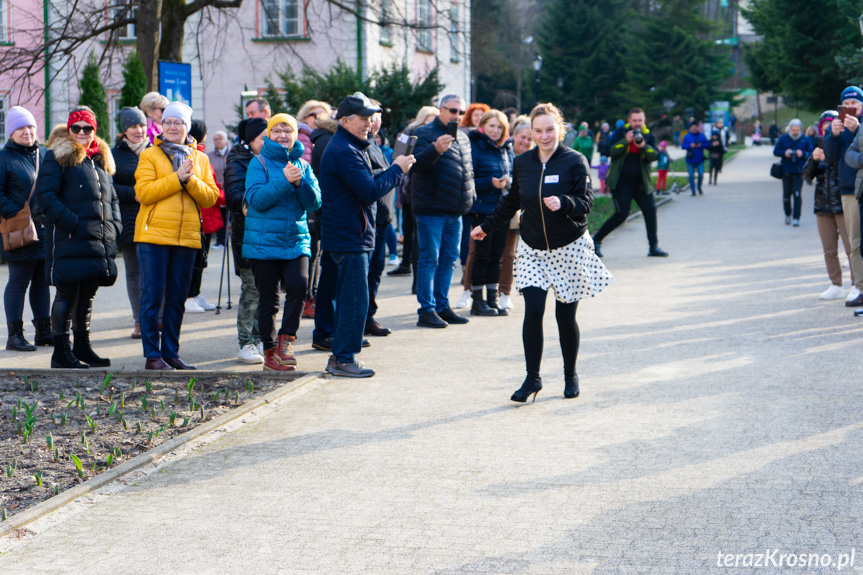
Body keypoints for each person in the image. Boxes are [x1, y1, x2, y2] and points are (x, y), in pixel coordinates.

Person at [471, 103, 613, 402]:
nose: (544, 136)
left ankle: (570, 374)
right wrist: (487, 226)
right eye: (538, 131)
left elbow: (586, 201)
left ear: (559, 129)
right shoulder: (523, 163)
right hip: (533, 249)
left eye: (550, 130)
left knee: (565, 316)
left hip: (569, 248)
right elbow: (512, 202)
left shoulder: (575, 161)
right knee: (533, 311)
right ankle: (532, 379)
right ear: (530, 132)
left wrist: (565, 202)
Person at [319, 93, 414, 377]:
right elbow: (370, 191)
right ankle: (342, 359)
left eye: (371, 118)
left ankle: (343, 356)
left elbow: (369, 185)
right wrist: (397, 169)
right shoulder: (345, 150)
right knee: (355, 299)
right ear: (345, 120)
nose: (369, 123)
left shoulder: (352, 145)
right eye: (363, 118)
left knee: (354, 297)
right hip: (349, 236)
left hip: (351, 234)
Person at [134, 102, 220, 370]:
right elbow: (144, 193)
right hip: (154, 237)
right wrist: (177, 178)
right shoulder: (149, 155)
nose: (172, 127)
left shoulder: (201, 159)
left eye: (178, 123)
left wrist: (191, 180)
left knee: (176, 300)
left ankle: (171, 353)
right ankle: (152, 355)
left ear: (187, 127)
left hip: (187, 239)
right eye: (168, 122)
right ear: (162, 126)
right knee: (152, 297)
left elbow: (211, 198)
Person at [36, 107, 120, 368]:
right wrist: (72, 223)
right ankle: (61, 352)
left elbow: (112, 199)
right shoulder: (57, 157)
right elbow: (46, 197)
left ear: (95, 131)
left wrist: (115, 226)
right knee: (67, 293)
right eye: (77, 128)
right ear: (69, 130)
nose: (82, 133)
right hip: (70, 239)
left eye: (88, 128)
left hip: (97, 241)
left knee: (88, 293)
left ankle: (82, 346)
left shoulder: (101, 161)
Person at [243, 113, 321, 371]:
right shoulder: (259, 163)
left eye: (287, 130)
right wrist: (283, 180)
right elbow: (256, 200)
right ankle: (268, 352)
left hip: (296, 240)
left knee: (299, 287)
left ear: (295, 135)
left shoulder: (304, 165)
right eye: (276, 130)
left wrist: (299, 183)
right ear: (268, 134)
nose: (282, 135)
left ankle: (286, 340)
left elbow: (314, 203)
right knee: (269, 299)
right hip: (263, 243)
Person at [411, 94, 476, 328]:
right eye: (452, 111)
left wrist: (471, 195)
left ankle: (442, 306)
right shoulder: (424, 133)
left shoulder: (464, 137)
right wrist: (435, 149)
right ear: (440, 109)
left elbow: (468, 170)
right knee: (430, 259)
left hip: (455, 210)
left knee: (449, 260)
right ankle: (426, 310)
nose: (456, 116)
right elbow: (414, 165)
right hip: (431, 208)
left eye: (460, 111)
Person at [0, 106, 50, 351]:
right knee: (19, 281)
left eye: (30, 126)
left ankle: (44, 331)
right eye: (20, 128)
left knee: (41, 281)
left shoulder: (44, 154)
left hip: (44, 229)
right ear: (11, 132)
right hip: (19, 230)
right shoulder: (4, 157)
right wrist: (19, 213)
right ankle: (14, 336)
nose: (26, 132)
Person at [592, 108, 668, 258]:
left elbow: (655, 156)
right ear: (629, 120)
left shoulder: (648, 135)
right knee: (621, 214)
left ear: (644, 120)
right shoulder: (620, 132)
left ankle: (653, 247)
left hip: (641, 183)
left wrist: (644, 146)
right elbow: (610, 151)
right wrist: (625, 141)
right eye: (634, 120)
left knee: (650, 210)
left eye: (640, 120)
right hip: (621, 183)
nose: (637, 124)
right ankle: (595, 241)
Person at [460, 110, 514, 317]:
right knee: (482, 256)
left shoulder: (505, 149)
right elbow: (468, 180)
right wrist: (490, 183)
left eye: (499, 127)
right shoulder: (474, 146)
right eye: (491, 126)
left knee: (496, 256)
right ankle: (477, 301)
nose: (495, 130)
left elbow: (513, 174)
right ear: (482, 126)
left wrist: (508, 182)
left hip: (502, 210)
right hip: (481, 209)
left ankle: (492, 299)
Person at [224, 118, 268, 365]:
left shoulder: (273, 159)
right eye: (263, 137)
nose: (269, 141)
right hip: (247, 234)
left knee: (266, 289)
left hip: (270, 234)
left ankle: (260, 337)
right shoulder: (238, 160)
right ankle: (246, 342)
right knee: (251, 288)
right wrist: (251, 201)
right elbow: (233, 196)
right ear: (250, 140)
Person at [112, 106, 151, 339]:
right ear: (124, 130)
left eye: (142, 125)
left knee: (156, 271)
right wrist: (132, 193)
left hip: (155, 218)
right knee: (134, 273)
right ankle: (139, 321)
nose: (139, 130)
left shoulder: (156, 150)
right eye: (133, 126)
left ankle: (156, 319)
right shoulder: (115, 154)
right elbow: (109, 185)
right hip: (128, 218)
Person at [804, 111, 851, 301]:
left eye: (830, 126)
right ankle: (836, 285)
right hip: (823, 203)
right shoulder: (818, 147)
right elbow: (806, 177)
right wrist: (813, 160)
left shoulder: (844, 143)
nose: (827, 130)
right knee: (829, 250)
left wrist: (830, 158)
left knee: (851, 249)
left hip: (843, 202)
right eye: (823, 127)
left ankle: (857, 286)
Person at [388, 106, 439, 280]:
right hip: (409, 187)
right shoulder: (408, 133)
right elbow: (397, 157)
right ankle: (407, 267)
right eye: (428, 120)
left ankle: (413, 273)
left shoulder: (441, 135)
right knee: (411, 231)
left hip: (428, 189)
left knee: (417, 234)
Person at [824, 86, 863, 308]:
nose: (850, 108)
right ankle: (859, 286)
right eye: (846, 104)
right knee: (855, 240)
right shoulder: (836, 127)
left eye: (854, 104)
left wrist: (857, 129)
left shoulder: (861, 125)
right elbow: (829, 158)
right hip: (849, 190)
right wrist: (834, 135)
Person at [364, 104, 397, 336]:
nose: (376, 123)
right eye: (373, 118)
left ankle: (368, 317)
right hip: (367, 220)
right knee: (363, 274)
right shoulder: (359, 145)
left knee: (376, 270)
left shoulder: (375, 143)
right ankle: (360, 320)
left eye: (378, 119)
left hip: (383, 218)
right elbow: (366, 180)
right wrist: (394, 170)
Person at [185, 120, 222, 313]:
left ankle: (195, 293)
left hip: (207, 216)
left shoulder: (201, 153)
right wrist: (224, 196)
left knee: (202, 259)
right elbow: (210, 189)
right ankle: (188, 295)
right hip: (202, 214)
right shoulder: (196, 155)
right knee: (196, 259)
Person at [498, 116, 534, 311]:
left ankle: (505, 292)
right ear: (514, 136)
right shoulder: (504, 152)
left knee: (510, 254)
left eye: (530, 138)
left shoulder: (535, 157)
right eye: (523, 137)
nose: (526, 142)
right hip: (496, 207)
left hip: (517, 211)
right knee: (483, 251)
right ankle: (471, 290)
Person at [773, 119, 812, 227]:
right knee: (786, 195)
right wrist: (784, 153)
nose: (795, 132)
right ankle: (787, 214)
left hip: (799, 172)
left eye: (797, 130)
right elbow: (775, 151)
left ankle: (796, 217)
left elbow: (811, 153)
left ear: (801, 129)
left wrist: (802, 154)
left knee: (797, 194)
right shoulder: (783, 138)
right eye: (793, 129)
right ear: (789, 129)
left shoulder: (805, 139)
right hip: (786, 171)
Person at [207, 130, 230, 249]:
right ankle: (220, 241)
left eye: (220, 138)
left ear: (226, 140)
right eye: (215, 139)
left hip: (230, 189)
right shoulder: (209, 156)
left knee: (229, 216)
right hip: (217, 191)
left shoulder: (232, 154)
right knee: (219, 216)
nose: (218, 141)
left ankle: (226, 241)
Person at [681, 121, 709, 196]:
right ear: (690, 128)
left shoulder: (702, 136)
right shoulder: (686, 137)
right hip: (690, 159)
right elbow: (683, 146)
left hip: (700, 159)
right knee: (691, 175)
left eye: (695, 127)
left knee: (701, 174)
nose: (694, 129)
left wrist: (701, 145)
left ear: (698, 128)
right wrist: (690, 145)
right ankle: (693, 190)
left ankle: (699, 187)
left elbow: (707, 145)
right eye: (692, 127)